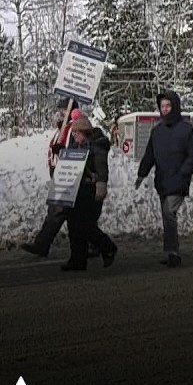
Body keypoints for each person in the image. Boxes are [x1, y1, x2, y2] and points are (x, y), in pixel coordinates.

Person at [135, 91, 193, 268]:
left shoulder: (187, 129)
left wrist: (184, 172)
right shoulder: (157, 131)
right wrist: (142, 173)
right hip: (163, 180)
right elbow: (149, 154)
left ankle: (173, 252)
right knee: (166, 216)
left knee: (169, 213)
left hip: (179, 180)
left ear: (175, 107)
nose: (165, 109)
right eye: (162, 106)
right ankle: (168, 250)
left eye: (168, 106)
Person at [59, 116, 118, 271]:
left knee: (86, 226)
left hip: (89, 192)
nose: (74, 136)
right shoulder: (74, 147)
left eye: (76, 133)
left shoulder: (96, 148)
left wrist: (101, 186)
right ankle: (78, 259)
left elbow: (101, 169)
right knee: (73, 226)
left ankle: (108, 247)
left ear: (84, 132)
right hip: (74, 191)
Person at [21, 102, 78, 257]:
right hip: (59, 177)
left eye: (61, 110)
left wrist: (63, 152)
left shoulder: (73, 129)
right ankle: (95, 247)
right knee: (71, 217)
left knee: (57, 214)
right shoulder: (60, 130)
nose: (57, 114)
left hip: (68, 179)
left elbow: (76, 152)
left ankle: (42, 245)